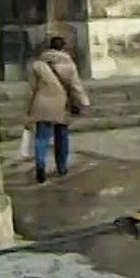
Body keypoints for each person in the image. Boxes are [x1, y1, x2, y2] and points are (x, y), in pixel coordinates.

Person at [25, 36, 90, 183]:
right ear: (63, 47)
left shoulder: (38, 64)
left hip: (42, 102)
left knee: (41, 136)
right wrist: (84, 102)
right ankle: (61, 166)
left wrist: (28, 107)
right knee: (61, 135)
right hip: (62, 103)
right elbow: (75, 86)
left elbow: (31, 88)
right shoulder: (69, 64)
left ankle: (40, 164)